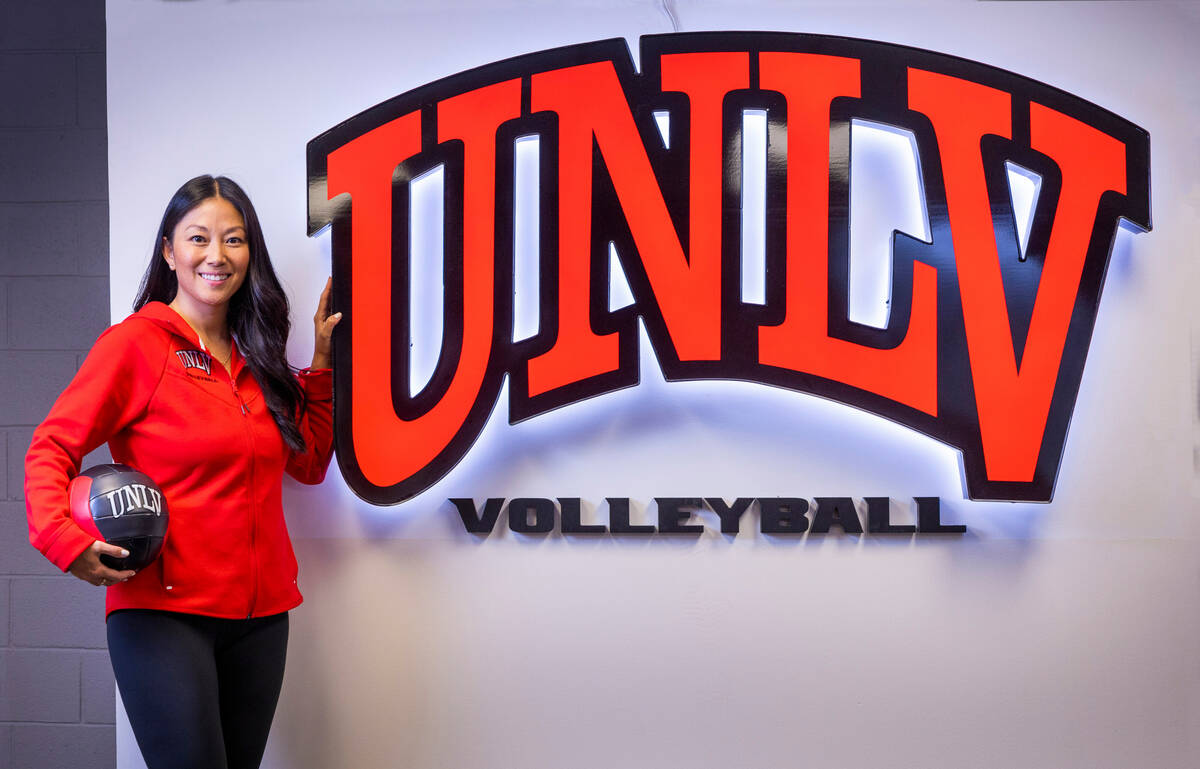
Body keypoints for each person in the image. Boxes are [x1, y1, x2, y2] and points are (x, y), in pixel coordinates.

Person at [24, 174, 342, 769]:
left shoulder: (259, 357)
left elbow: (310, 465)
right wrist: (64, 542)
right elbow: (51, 446)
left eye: (234, 239)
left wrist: (320, 370)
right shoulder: (135, 347)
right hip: (164, 617)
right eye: (198, 238)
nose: (216, 256)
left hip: (261, 619)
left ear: (251, 253)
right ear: (170, 252)